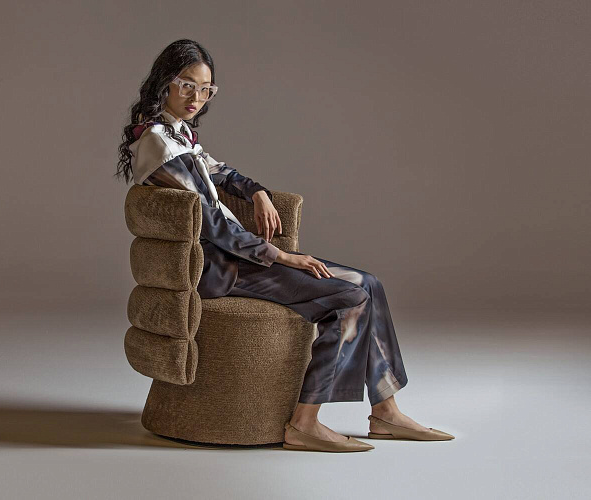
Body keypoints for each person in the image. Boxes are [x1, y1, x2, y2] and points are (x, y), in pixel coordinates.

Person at [115, 39, 454, 452]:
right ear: (165, 82)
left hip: (236, 257)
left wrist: (257, 191)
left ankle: (386, 412)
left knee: (370, 283)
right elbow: (214, 225)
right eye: (187, 85)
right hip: (219, 268)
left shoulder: (177, 135)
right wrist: (284, 256)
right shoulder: (159, 142)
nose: (196, 97)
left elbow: (221, 172)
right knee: (351, 298)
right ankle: (305, 423)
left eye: (206, 89)